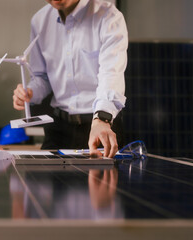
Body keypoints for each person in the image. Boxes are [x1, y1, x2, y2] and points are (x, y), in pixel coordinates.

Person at [13, 0, 128, 158]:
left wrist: (102, 118)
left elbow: (111, 73)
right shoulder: (39, 21)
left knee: (103, 181)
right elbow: (42, 77)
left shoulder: (109, 16)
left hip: (100, 124)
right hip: (59, 127)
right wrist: (31, 92)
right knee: (36, 179)